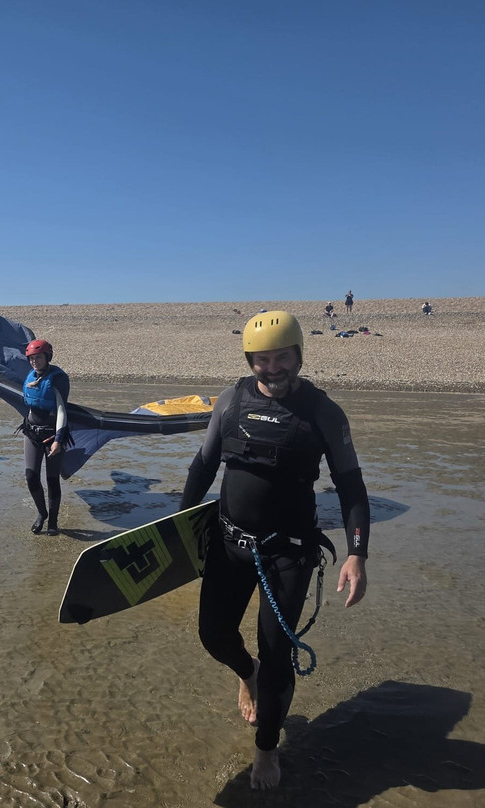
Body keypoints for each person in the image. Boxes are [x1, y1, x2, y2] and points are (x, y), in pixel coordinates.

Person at [179, 310, 370, 790]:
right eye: (262, 360)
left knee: (278, 653)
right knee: (213, 635)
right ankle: (248, 674)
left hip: (289, 552)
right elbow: (202, 467)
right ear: (250, 360)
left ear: (298, 356)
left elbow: (351, 486)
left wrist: (357, 554)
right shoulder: (231, 400)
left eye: (282, 357)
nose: (273, 368)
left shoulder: (323, 412)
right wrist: (178, 526)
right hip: (229, 542)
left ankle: (266, 749)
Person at [20, 339, 71, 535]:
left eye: (38, 358)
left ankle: (53, 522)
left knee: (52, 479)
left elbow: (62, 411)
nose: (35, 361)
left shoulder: (57, 379)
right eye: (32, 358)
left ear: (47, 357)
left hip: (52, 436)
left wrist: (58, 439)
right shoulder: (30, 376)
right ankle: (42, 513)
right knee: (30, 476)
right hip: (32, 433)